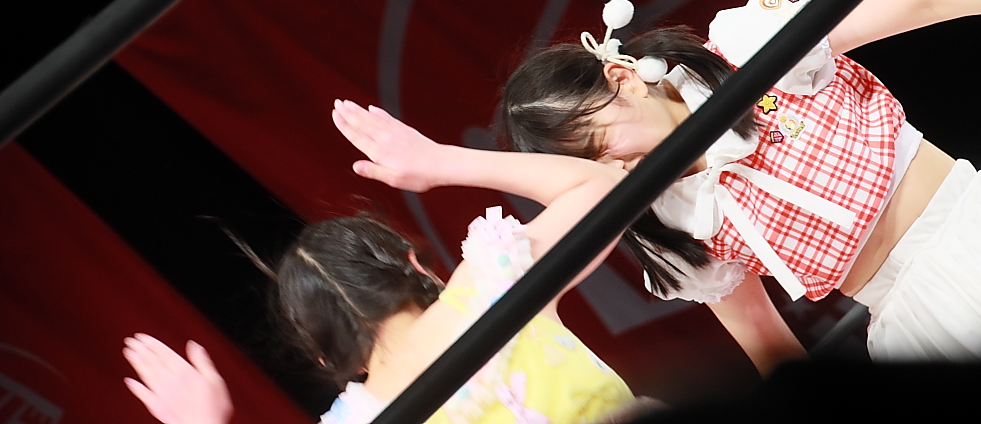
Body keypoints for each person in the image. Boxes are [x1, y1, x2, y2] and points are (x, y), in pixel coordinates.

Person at [497, 0, 980, 372]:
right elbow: (761, 333)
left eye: (601, 143)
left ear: (623, 79)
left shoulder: (746, 50)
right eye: (591, 166)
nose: (614, 167)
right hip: (915, 318)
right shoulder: (666, 220)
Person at [123, 99, 661, 424]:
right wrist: (441, 162)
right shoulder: (492, 279)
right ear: (414, 264)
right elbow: (604, 188)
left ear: (324, 358)